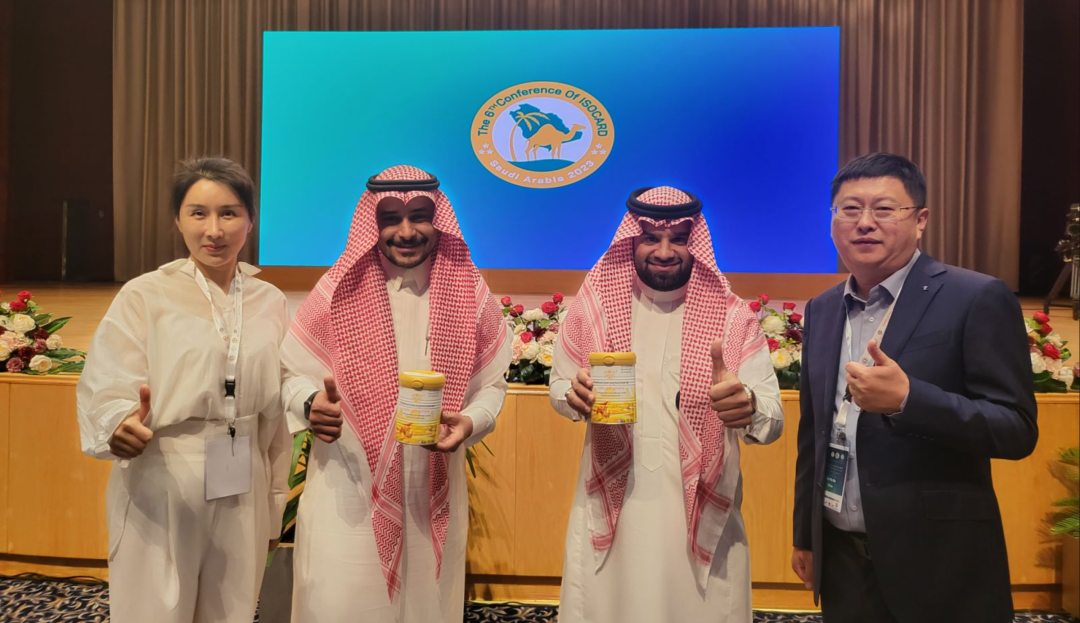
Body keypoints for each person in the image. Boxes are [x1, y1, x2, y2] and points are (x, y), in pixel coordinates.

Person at [791, 153, 1038, 622]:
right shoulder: (822, 309)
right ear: (833, 220)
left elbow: (1016, 428)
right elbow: (815, 434)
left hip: (940, 563)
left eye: (885, 209)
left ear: (920, 220)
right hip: (843, 561)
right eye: (850, 209)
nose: (865, 223)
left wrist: (909, 401)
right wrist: (807, 535)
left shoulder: (974, 297)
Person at [280, 165, 511, 622]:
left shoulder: (469, 293)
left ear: (438, 220)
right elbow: (290, 374)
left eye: (419, 216)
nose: (406, 232)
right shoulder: (335, 291)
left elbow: (491, 386)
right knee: (342, 607)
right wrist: (309, 405)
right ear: (373, 223)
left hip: (432, 494)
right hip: (348, 495)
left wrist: (471, 422)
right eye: (390, 218)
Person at [549, 186, 784, 622]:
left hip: (702, 513)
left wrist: (749, 408)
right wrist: (571, 396)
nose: (664, 251)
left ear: (695, 243)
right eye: (650, 238)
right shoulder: (593, 311)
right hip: (613, 508)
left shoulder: (733, 319)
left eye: (678, 238)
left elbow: (772, 420)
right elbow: (559, 385)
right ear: (631, 241)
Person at [77, 157, 291, 622]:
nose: (214, 230)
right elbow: (106, 381)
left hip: (243, 472)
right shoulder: (145, 294)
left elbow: (275, 418)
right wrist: (118, 424)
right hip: (164, 470)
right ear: (177, 220)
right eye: (198, 213)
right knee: (155, 608)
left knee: (232, 608)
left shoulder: (270, 301)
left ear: (251, 220)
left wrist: (274, 504)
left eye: (229, 213)